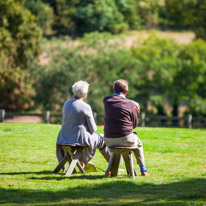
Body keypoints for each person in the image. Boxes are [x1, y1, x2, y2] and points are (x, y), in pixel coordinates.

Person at [56, 80, 110, 168]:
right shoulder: (85, 107)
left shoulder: (66, 103)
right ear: (85, 94)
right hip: (78, 140)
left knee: (88, 138)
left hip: (64, 138)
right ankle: (114, 166)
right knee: (102, 139)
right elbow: (93, 129)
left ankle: (81, 161)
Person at [103, 79, 149, 176]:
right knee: (139, 144)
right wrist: (133, 102)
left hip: (108, 140)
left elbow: (116, 100)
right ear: (126, 92)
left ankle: (113, 168)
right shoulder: (131, 104)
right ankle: (143, 169)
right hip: (126, 139)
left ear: (113, 90)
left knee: (118, 146)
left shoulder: (106, 100)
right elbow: (134, 125)